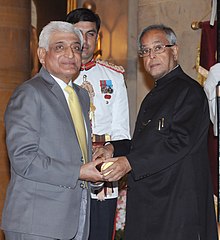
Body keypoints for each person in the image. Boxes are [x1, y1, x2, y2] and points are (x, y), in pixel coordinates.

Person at [93, 24, 218, 240]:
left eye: (158, 48)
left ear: (175, 51)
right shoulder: (153, 95)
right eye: (145, 51)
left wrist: (129, 163)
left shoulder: (190, 92)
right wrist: (112, 148)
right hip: (151, 206)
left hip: (176, 208)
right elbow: (143, 145)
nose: (151, 56)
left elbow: (176, 143)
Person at [1, 21, 104, 240]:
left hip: (75, 220)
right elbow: (23, 159)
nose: (70, 53)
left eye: (76, 47)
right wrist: (78, 171)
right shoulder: (29, 93)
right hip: (37, 223)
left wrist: (95, 171)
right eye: (60, 47)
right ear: (41, 54)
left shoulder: (81, 96)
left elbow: (74, 155)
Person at [66, 8, 131, 240]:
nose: (84, 41)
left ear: (97, 37)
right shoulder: (56, 77)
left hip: (103, 168)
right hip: (65, 170)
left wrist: (108, 151)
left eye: (90, 34)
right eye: (78, 33)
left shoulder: (113, 77)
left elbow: (122, 133)